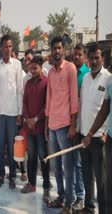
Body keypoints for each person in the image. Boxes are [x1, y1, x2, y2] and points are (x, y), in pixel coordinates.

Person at [45, 36, 78, 213]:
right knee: (56, 165)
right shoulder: (50, 72)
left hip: (65, 125)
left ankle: (69, 204)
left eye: (59, 48)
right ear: (51, 51)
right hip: (52, 125)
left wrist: (73, 125)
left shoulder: (70, 68)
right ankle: (60, 196)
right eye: (54, 48)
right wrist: (47, 124)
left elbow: (74, 98)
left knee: (68, 166)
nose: (57, 51)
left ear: (63, 50)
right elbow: (49, 99)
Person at [0, 34, 24, 189]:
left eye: (10, 46)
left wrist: (19, 112)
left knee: (11, 147)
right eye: (5, 46)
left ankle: (12, 176)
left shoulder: (17, 65)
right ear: (1, 48)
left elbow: (19, 90)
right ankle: (0, 174)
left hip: (12, 113)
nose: (8, 49)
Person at [80, 45, 110, 214]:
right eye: (91, 58)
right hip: (84, 136)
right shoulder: (85, 78)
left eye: (96, 58)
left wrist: (105, 133)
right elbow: (83, 104)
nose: (93, 61)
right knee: (87, 175)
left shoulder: (108, 78)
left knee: (102, 179)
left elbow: (108, 110)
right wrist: (80, 131)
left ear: (102, 59)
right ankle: (89, 207)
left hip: (99, 137)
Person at [20, 56, 50, 203]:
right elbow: (24, 102)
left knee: (43, 158)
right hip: (29, 128)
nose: (32, 70)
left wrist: (36, 119)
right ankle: (31, 184)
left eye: (35, 68)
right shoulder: (28, 83)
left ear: (40, 68)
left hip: (40, 127)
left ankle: (46, 188)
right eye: (31, 68)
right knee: (31, 157)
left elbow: (47, 106)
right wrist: (27, 118)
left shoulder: (46, 83)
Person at [71, 43, 89, 211]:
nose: (76, 57)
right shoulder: (70, 71)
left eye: (79, 55)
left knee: (79, 164)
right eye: (74, 54)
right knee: (69, 163)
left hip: (82, 125)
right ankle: (71, 195)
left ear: (85, 57)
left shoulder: (87, 75)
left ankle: (81, 197)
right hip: (70, 124)